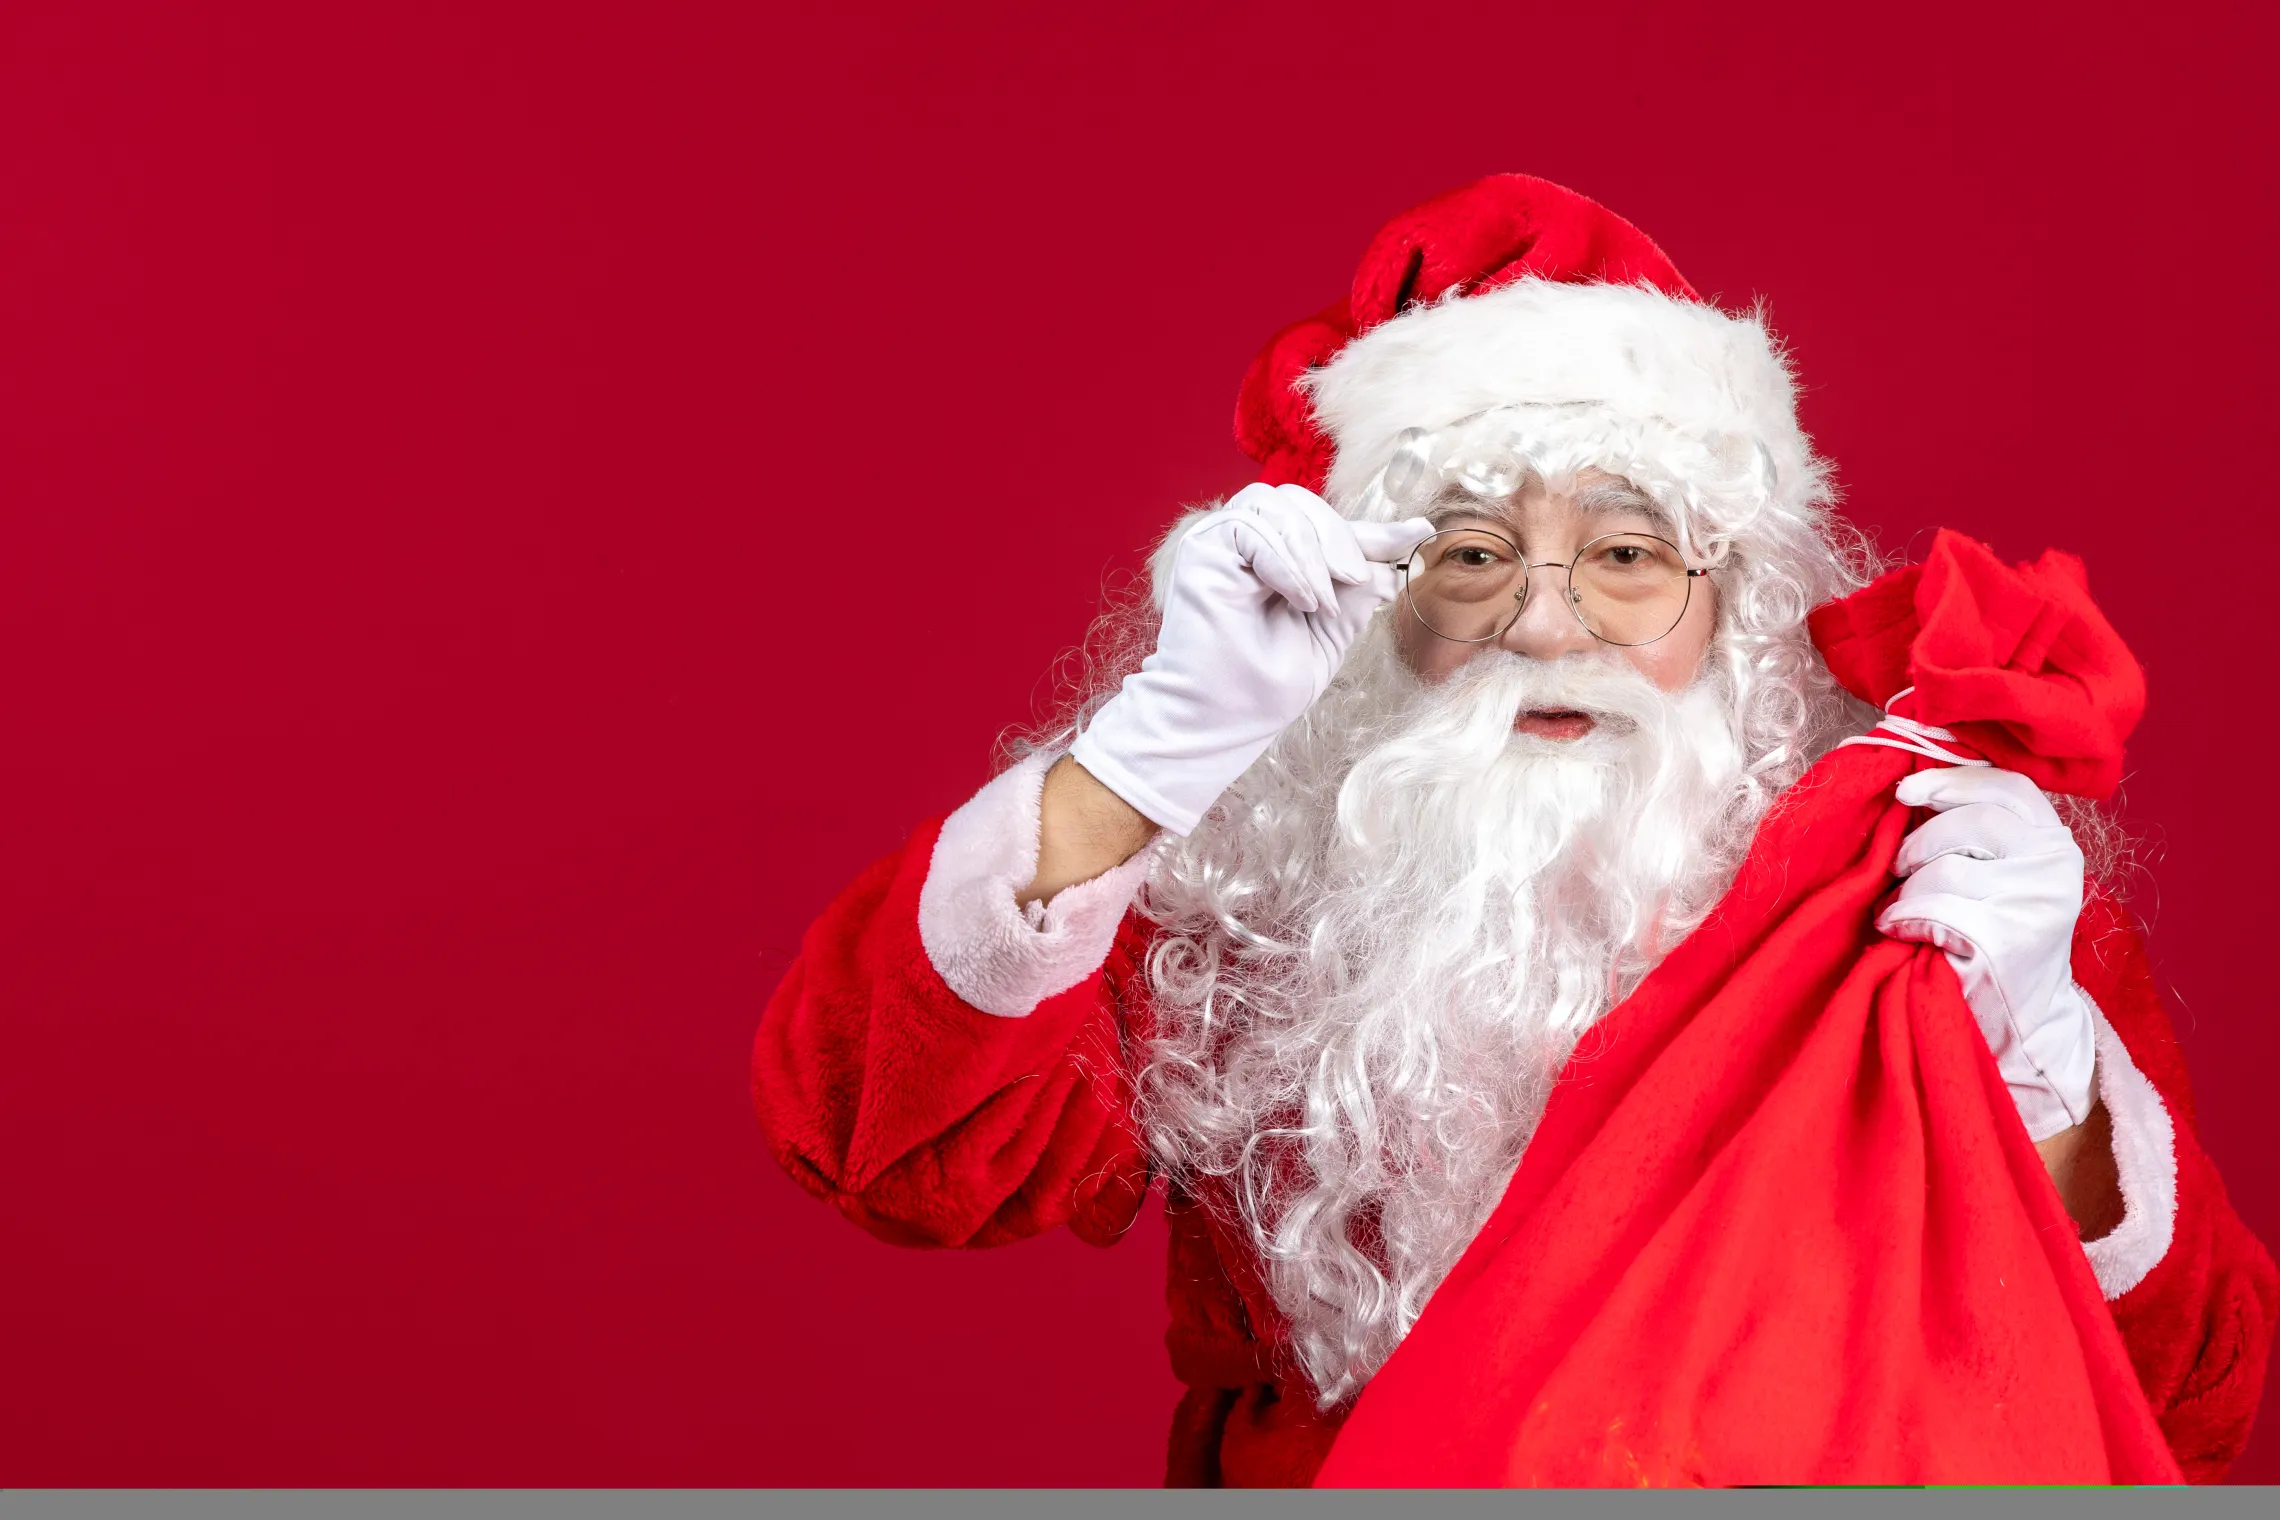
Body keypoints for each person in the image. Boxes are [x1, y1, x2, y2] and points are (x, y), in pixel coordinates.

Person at [753, 175, 2275, 1485]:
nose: (1546, 625)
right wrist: (1143, 764)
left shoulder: (1937, 889)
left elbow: (2183, 1409)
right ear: (1376, 599)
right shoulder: (1253, 896)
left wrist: (2048, 1072)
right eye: (1469, 553)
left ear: (1737, 600)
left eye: (1626, 554)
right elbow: (878, 1145)